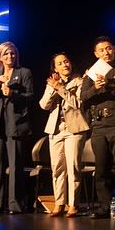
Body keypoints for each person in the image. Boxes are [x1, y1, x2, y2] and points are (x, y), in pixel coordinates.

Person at [79, 37, 115, 219]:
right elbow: (83, 96)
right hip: (99, 125)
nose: (106, 52)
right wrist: (96, 87)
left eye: (109, 48)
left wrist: (111, 85)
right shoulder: (92, 73)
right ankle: (104, 206)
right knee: (101, 168)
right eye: (102, 50)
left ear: (114, 49)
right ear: (96, 54)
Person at [0, 41, 35, 214]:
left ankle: (15, 205)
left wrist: (13, 94)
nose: (9, 57)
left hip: (16, 124)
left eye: (12, 53)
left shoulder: (24, 72)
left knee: (16, 166)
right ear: (0, 57)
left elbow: (29, 97)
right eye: (6, 54)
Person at [39, 52, 90, 217]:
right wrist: (54, 88)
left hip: (73, 128)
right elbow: (44, 105)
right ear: (55, 68)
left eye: (66, 61)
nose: (64, 65)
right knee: (57, 168)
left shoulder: (80, 81)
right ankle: (59, 203)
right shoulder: (53, 83)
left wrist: (61, 88)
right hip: (55, 129)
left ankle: (73, 204)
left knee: (73, 167)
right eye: (60, 63)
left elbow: (77, 103)